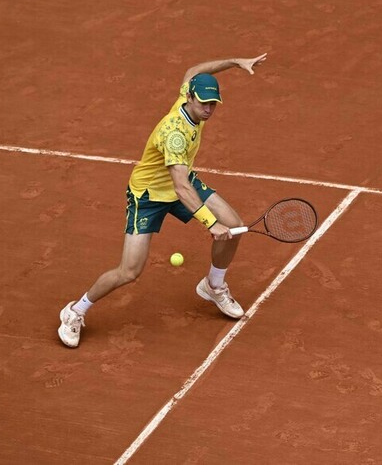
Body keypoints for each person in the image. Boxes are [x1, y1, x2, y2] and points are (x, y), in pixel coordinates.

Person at [58, 53, 267, 348]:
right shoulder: (175, 135)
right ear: (190, 98)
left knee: (233, 225)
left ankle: (213, 285)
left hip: (180, 182)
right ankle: (75, 311)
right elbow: (181, 187)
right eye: (204, 103)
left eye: (213, 104)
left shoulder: (188, 95)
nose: (208, 109)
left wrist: (234, 62)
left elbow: (193, 68)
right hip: (149, 196)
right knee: (129, 270)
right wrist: (211, 224)